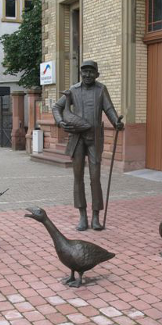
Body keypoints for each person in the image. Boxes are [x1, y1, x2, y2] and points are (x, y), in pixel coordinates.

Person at [52, 60, 124, 231]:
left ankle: (96, 217)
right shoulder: (73, 90)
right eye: (85, 72)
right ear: (80, 73)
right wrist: (60, 122)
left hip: (94, 139)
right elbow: (57, 107)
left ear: (97, 74)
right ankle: (82, 216)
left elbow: (109, 109)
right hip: (77, 138)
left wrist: (116, 123)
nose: (88, 75)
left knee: (95, 177)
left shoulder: (101, 89)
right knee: (78, 178)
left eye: (91, 72)